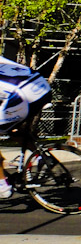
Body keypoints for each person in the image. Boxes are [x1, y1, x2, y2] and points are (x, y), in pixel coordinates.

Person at [0, 56, 53, 199]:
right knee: (11, 128)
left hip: (22, 94)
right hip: (42, 87)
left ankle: (2, 186)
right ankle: (43, 157)